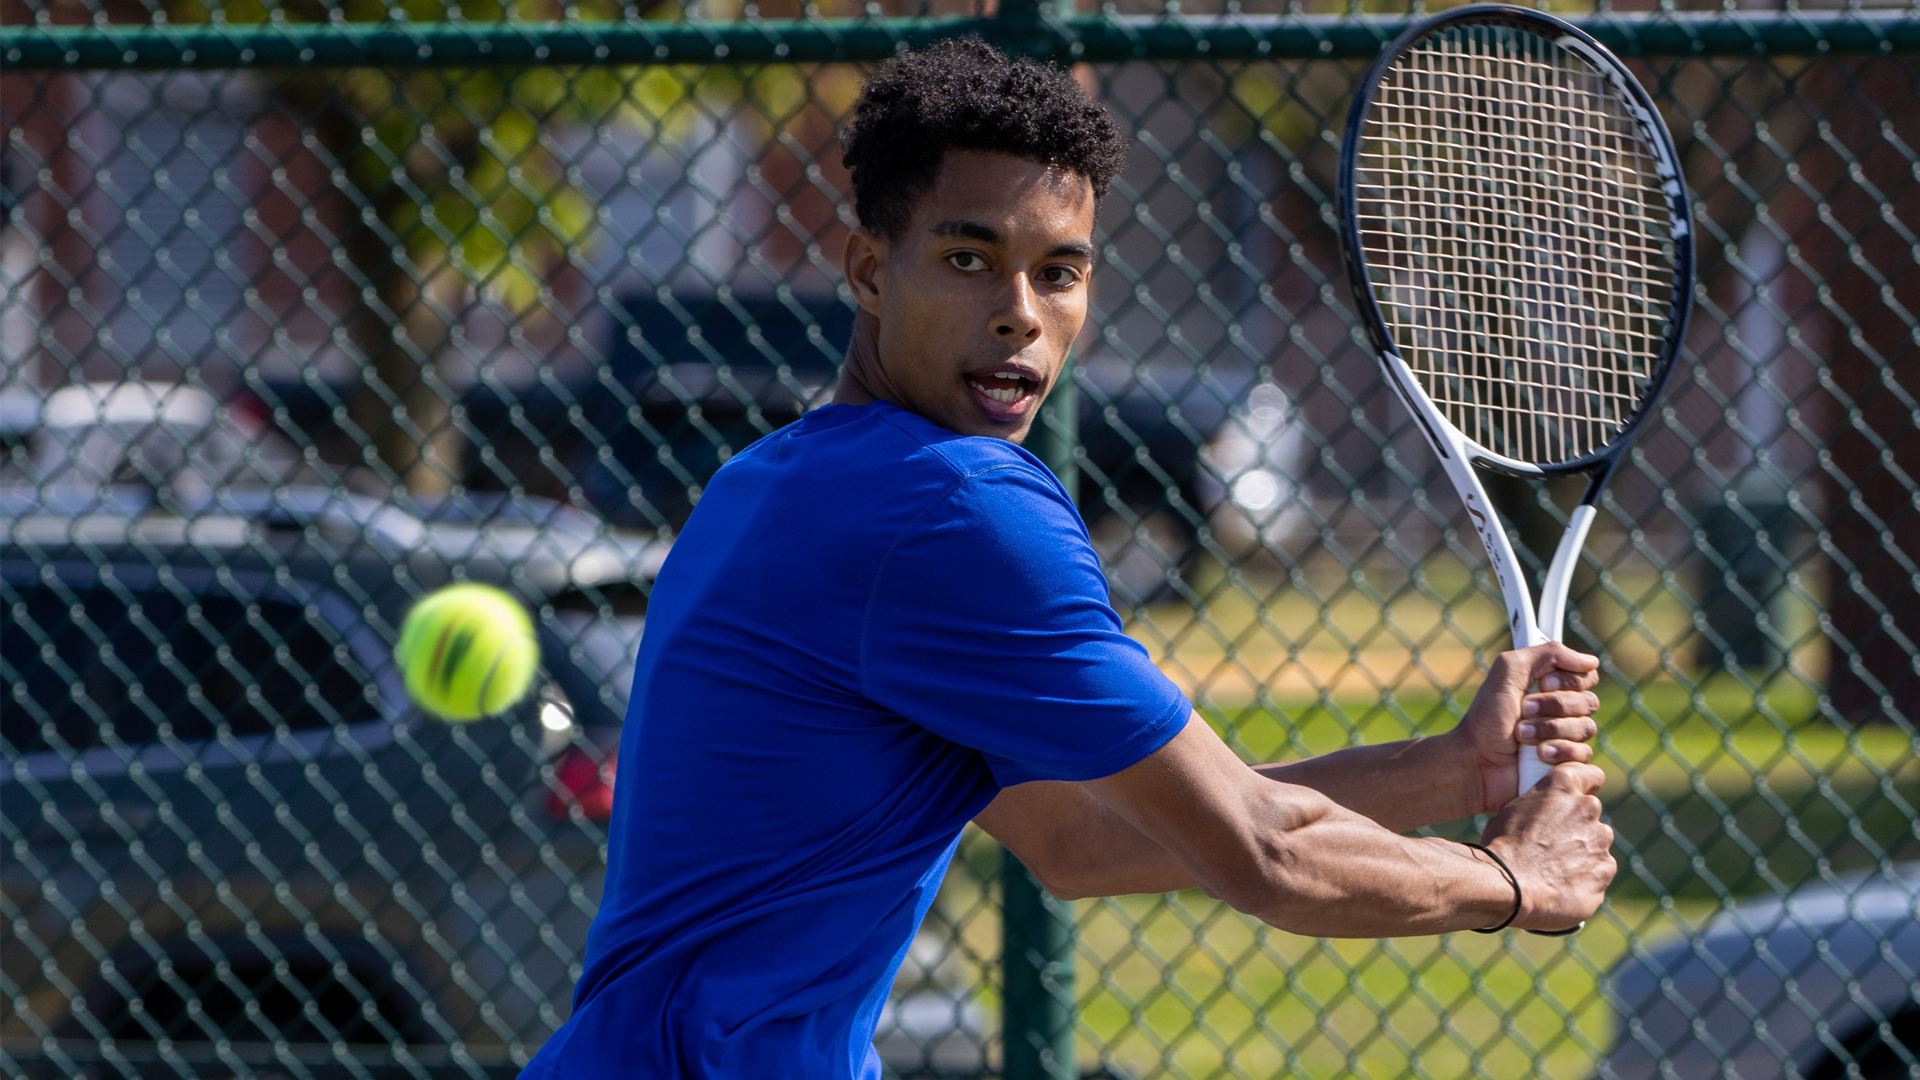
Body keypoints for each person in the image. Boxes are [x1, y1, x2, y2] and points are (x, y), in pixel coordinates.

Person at [520, 38, 1615, 1080]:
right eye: (968, 259)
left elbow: (1084, 838)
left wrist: (1454, 772)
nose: (1019, 315)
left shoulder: (767, 481)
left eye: (1057, 272)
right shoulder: (953, 504)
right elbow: (1262, 850)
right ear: (869, 270)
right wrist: (1514, 881)